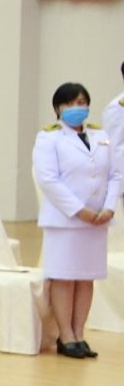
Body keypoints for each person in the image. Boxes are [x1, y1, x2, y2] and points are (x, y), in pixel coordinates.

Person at [33, 82, 121, 359]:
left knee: (86, 278)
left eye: (81, 102)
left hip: (97, 220)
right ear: (58, 108)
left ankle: (79, 334)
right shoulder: (49, 137)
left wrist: (109, 208)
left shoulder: (101, 135)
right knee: (65, 277)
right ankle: (65, 335)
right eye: (70, 103)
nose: (77, 108)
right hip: (66, 221)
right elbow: (48, 179)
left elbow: (115, 174)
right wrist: (80, 211)